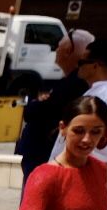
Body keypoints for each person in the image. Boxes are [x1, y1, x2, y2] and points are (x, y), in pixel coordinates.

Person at [15, 29, 93, 181]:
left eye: (59, 47)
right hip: (42, 155)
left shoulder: (74, 84)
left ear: (69, 51)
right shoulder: (69, 82)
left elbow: (40, 112)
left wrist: (34, 104)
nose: (56, 51)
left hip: (44, 156)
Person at [50, 40, 107, 168]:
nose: (78, 66)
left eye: (81, 62)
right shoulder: (99, 92)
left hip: (78, 168)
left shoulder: (105, 97)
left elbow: (94, 142)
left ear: (95, 66)